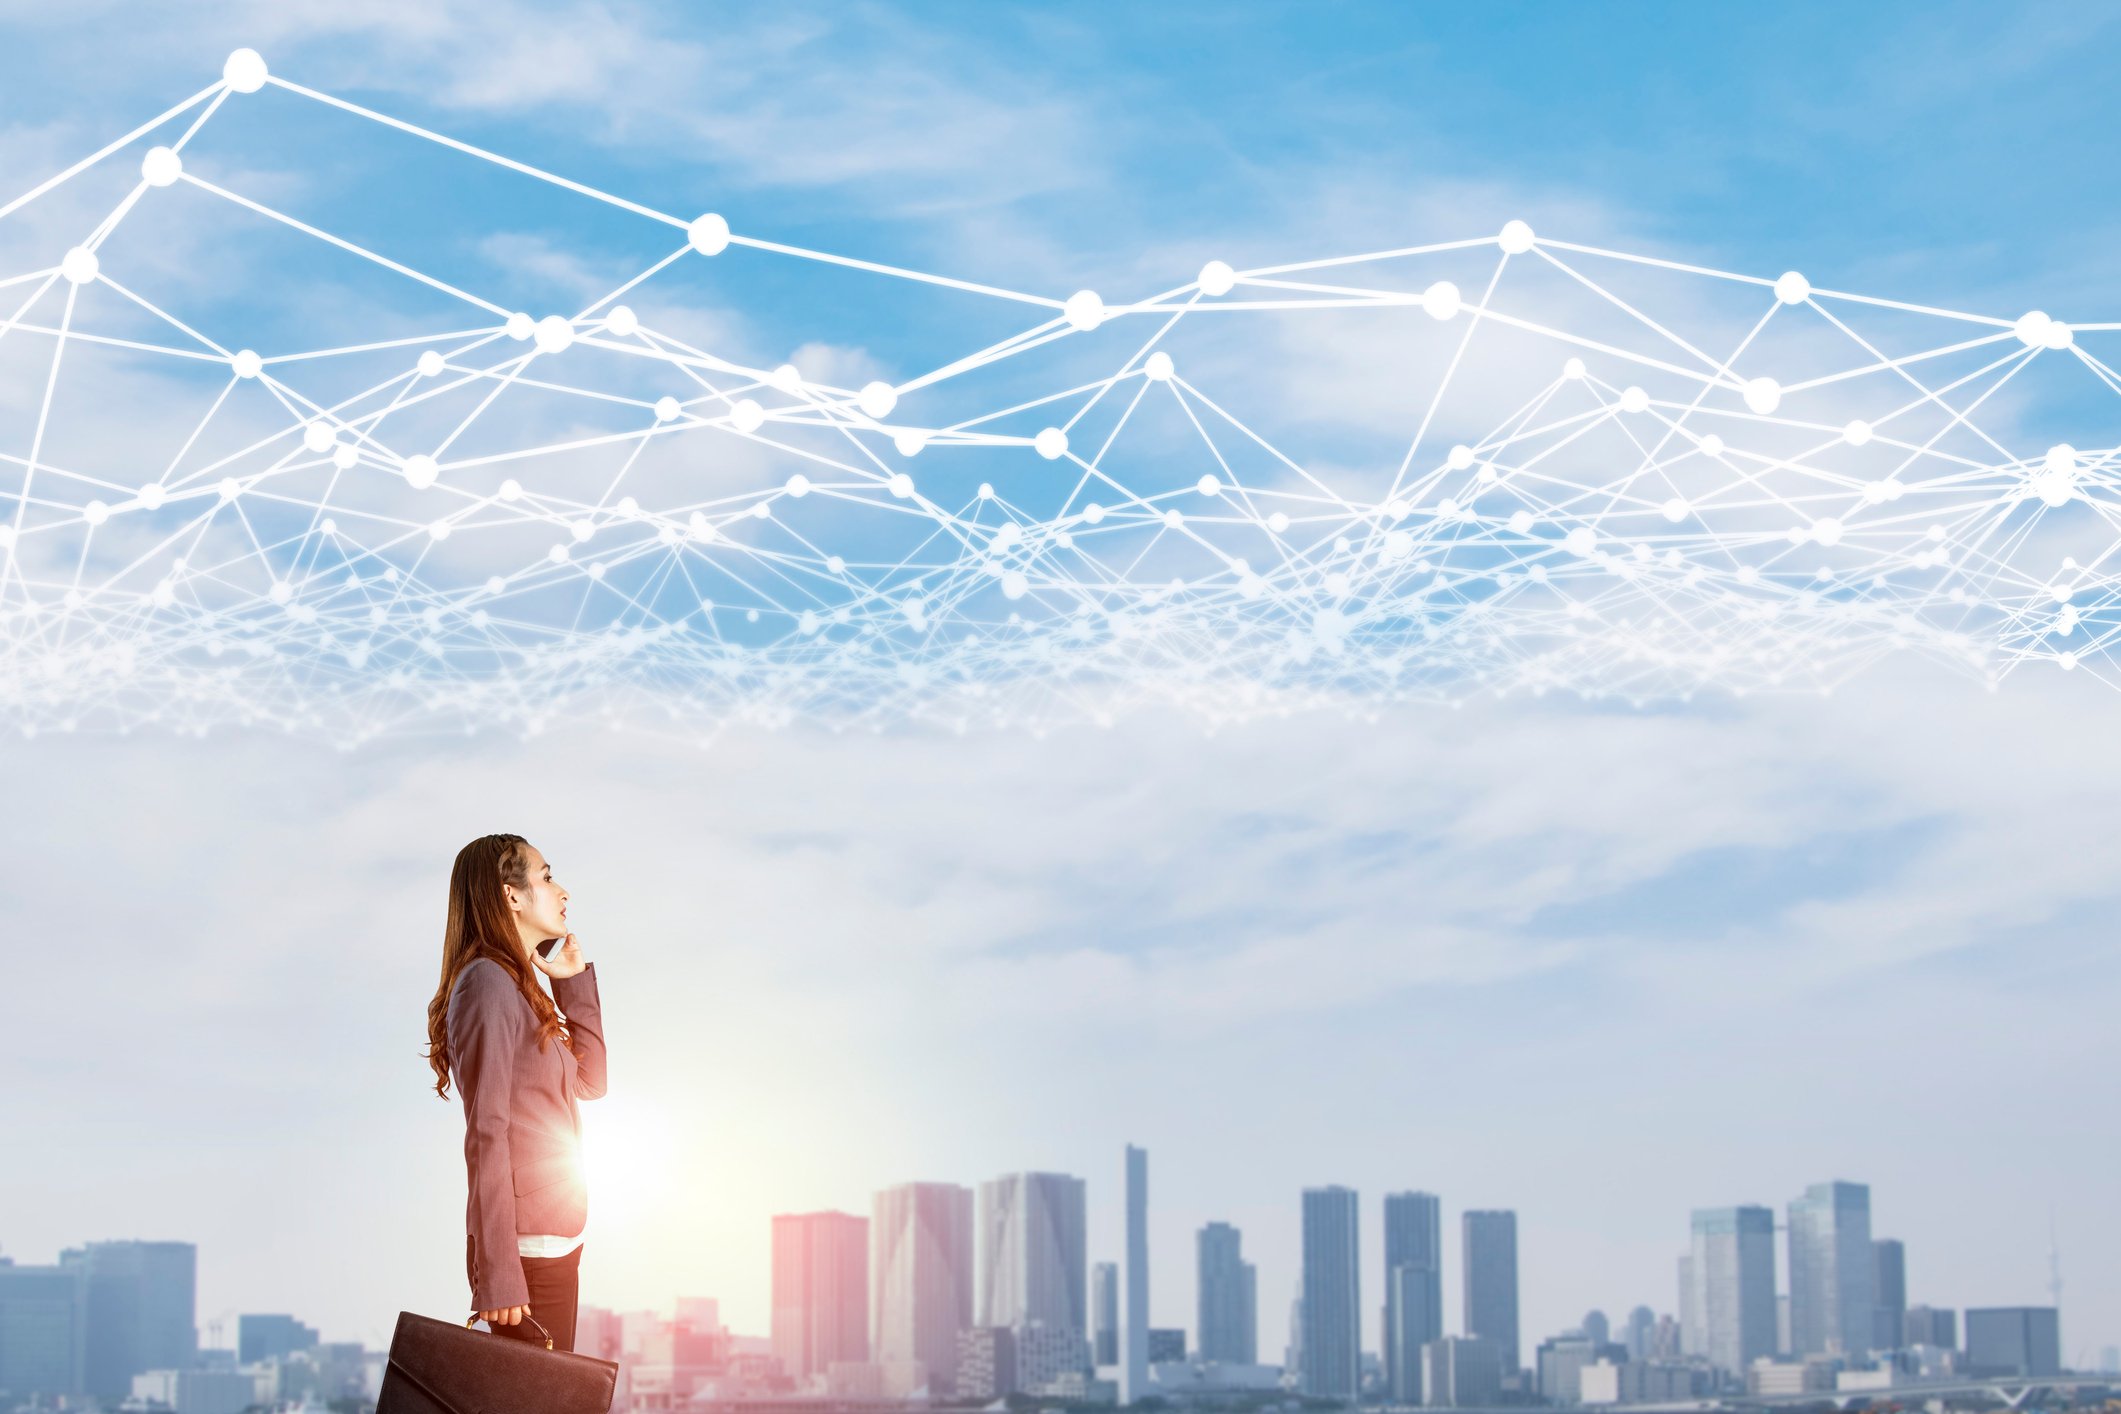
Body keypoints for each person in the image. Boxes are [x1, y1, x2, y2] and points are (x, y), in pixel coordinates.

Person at [423, 834, 607, 1353]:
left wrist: (571, 984)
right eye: (546, 877)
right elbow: (487, 1133)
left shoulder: (518, 985)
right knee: (539, 1393)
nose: (562, 891)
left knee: (555, 1391)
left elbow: (592, 1082)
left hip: (555, 1241)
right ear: (511, 895)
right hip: (525, 1257)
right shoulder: (487, 984)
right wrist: (499, 1274)